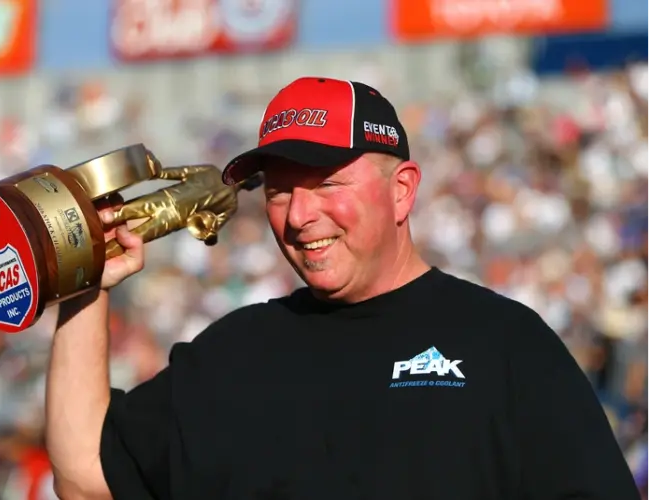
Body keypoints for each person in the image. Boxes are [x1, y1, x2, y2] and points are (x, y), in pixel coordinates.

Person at [45, 77, 640, 500]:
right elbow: (87, 477)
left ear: (402, 190)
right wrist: (83, 282)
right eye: (279, 190)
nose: (300, 214)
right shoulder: (234, 353)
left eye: (327, 183)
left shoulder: (504, 345)